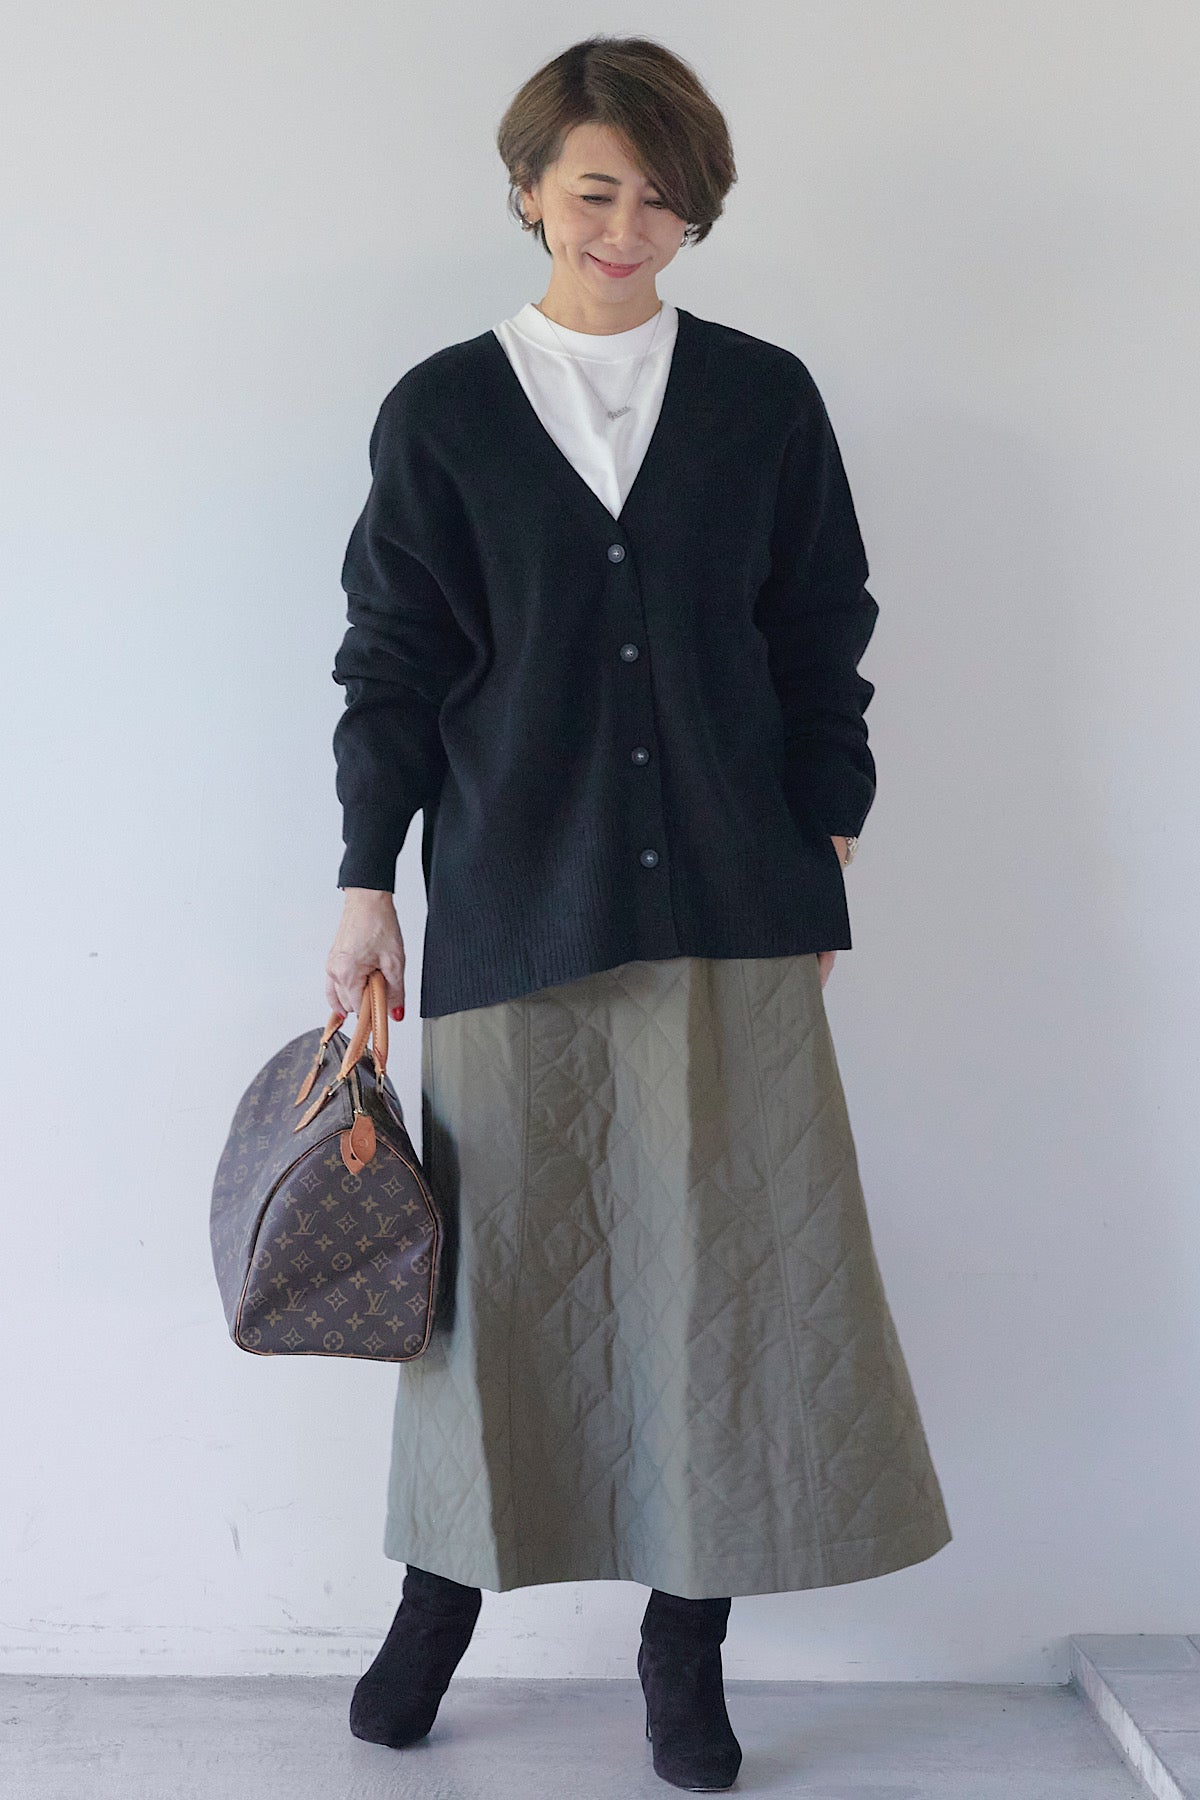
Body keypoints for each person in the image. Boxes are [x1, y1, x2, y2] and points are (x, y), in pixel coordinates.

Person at [324, 34, 952, 1793]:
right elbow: (391, 662)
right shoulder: (445, 412)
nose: (629, 227)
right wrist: (367, 879)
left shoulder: (761, 398)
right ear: (531, 187)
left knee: (723, 1287)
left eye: (665, 198)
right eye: (598, 189)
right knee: (493, 1285)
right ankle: (437, 1604)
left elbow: (820, 625)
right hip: (514, 899)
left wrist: (829, 825)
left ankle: (686, 1646)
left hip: (737, 905)